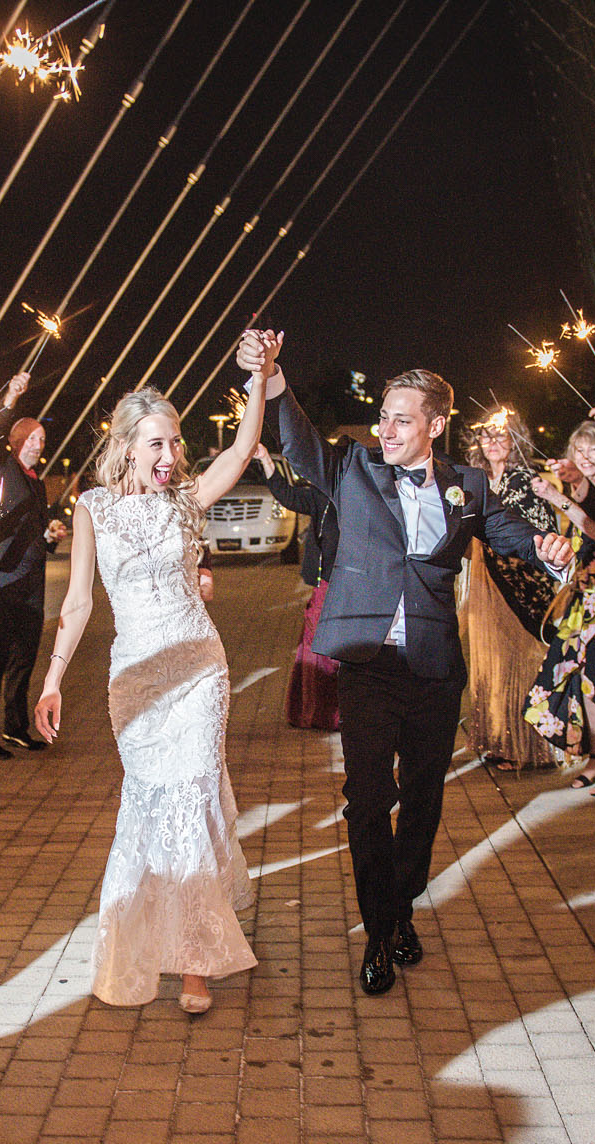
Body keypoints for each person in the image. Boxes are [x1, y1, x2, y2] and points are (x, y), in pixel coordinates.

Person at [248, 336, 553, 995]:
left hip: (436, 668)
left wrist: (552, 542)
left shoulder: (468, 487)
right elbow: (299, 443)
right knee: (366, 802)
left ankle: (400, 905)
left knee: (423, 799)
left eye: (402, 417)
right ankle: (380, 930)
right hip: (369, 667)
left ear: (437, 425)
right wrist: (273, 376)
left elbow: (515, 537)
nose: (385, 428)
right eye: (383, 414)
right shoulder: (354, 469)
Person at [33, 337, 279, 1012]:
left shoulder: (186, 499)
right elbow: (80, 602)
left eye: (174, 442)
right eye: (157, 444)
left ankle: (194, 960)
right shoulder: (93, 507)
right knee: (151, 802)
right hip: (136, 679)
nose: (171, 456)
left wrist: (258, 383)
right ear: (127, 445)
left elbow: (236, 451)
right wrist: (52, 680)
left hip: (199, 666)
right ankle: (156, 936)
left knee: (193, 795)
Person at [0, 372, 65, 757]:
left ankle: (16, 727)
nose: (39, 445)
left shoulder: (35, 482)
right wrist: (10, 397)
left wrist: (50, 536)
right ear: (17, 441)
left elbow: (32, 532)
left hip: (29, 585)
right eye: (33, 438)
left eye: (42, 439)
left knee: (24, 658)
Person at [525, 425, 595, 790]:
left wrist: (556, 494)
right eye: (578, 450)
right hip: (581, 600)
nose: (584, 457)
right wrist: (566, 485)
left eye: (592, 451)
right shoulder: (582, 486)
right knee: (576, 681)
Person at [458, 411, 558, 770]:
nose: (493, 443)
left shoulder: (526, 479)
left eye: (501, 436)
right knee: (490, 665)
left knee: (521, 662)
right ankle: (498, 739)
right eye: (486, 436)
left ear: (515, 439)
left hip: (519, 582)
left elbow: (541, 530)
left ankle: (530, 747)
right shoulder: (476, 480)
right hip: (484, 581)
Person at [258, 442, 341, 730]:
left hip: (357, 585)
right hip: (327, 584)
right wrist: (266, 460)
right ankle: (318, 712)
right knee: (318, 645)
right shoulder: (322, 496)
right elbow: (289, 496)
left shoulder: (366, 495)